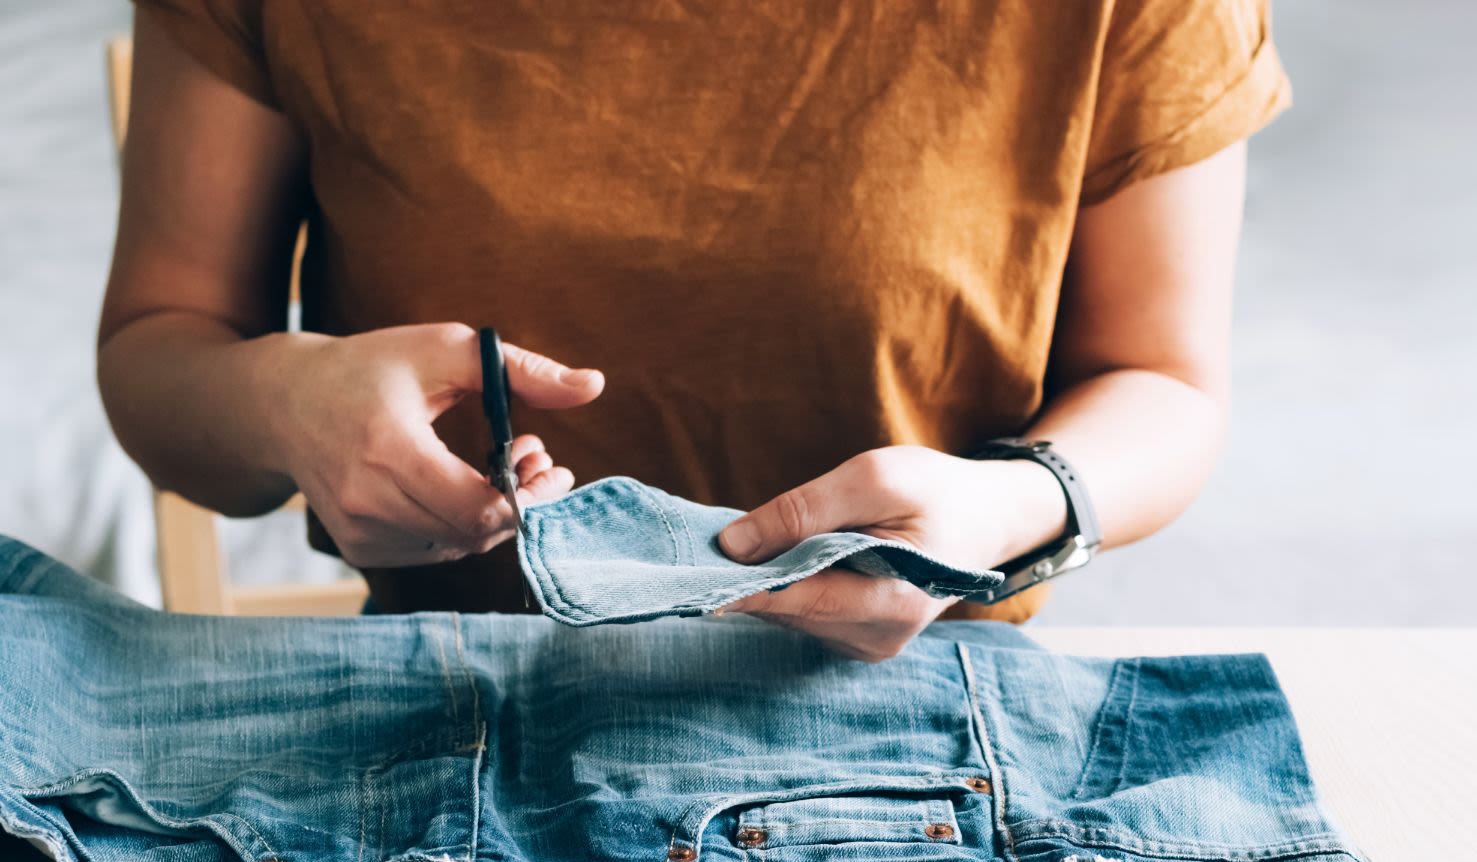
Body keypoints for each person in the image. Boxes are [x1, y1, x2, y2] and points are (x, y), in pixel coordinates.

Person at [100, 1, 1288, 660]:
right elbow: (167, 343)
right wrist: (284, 405)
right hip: (449, 719)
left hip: (925, 719)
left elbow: (1160, 380)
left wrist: (1010, 506)